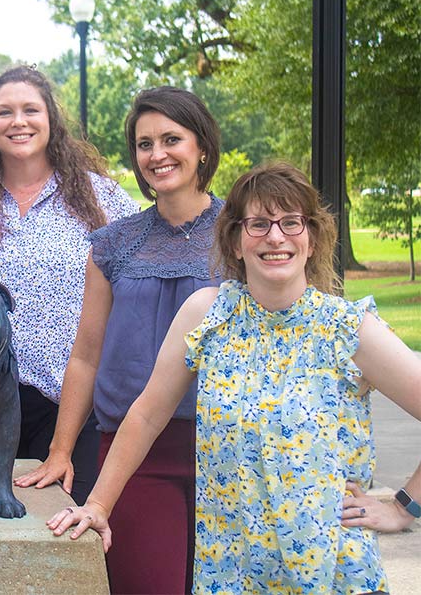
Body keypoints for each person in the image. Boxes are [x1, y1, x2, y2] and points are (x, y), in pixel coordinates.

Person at [49, 162, 421, 594]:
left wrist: (404, 507)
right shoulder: (208, 314)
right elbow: (148, 415)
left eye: (291, 222)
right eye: (259, 224)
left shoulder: (348, 330)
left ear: (313, 238)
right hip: (233, 569)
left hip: (328, 570)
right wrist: (97, 504)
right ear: (236, 241)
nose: (276, 237)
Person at [16, 86, 223, 593]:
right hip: (134, 454)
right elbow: (86, 355)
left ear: (202, 147)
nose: (158, 155)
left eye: (172, 139)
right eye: (144, 143)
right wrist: (61, 450)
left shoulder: (242, 235)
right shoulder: (114, 243)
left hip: (231, 447)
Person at [0, 66, 138, 505]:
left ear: (51, 120)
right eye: (4, 112)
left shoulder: (103, 199)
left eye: (30, 110)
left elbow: (135, 286)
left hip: (74, 408)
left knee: (69, 532)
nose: (18, 121)